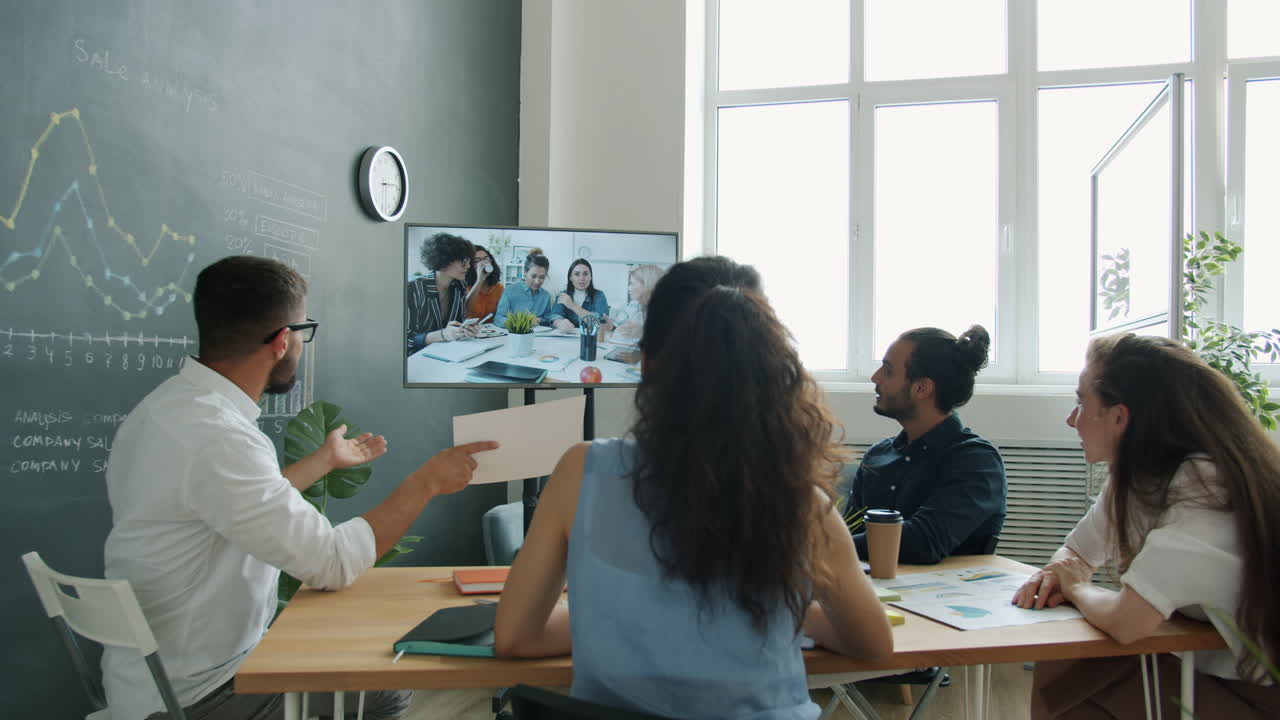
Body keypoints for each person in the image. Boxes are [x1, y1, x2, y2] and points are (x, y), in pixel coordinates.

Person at [493, 256, 893, 718]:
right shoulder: (800, 500)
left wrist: (614, 618)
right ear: (769, 369)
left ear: (645, 364)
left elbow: (516, 637)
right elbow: (873, 644)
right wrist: (771, 609)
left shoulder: (581, 473)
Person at [102, 256, 497, 720]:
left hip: (146, 682)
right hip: (200, 696)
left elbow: (233, 506)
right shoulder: (220, 437)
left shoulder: (165, 409)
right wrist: (426, 482)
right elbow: (331, 562)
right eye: (303, 332)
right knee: (387, 692)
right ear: (282, 341)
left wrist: (324, 460)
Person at [1012, 334, 1280, 719]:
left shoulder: (1202, 485)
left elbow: (1127, 620)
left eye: (1080, 402)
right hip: (1222, 675)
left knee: (1069, 671)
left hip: (1262, 695)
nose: (1072, 419)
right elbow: (1076, 551)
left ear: (1119, 417)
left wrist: (1075, 586)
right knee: (1066, 664)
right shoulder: (1139, 478)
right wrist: (1059, 572)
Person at [845, 325, 1007, 565]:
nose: (875, 377)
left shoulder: (975, 461)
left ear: (921, 388)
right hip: (871, 589)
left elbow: (924, 542)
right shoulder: (878, 455)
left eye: (888, 371)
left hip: (940, 598)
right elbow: (849, 530)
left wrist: (823, 545)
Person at [405, 232, 480, 356]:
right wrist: (442, 334)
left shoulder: (459, 287)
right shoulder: (413, 288)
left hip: (447, 354)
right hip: (415, 358)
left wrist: (465, 330)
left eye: (468, 260)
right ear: (444, 260)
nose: (468, 266)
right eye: (462, 260)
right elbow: (405, 339)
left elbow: (457, 325)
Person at [603, 263, 664, 345]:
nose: (628, 289)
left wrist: (642, 332)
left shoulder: (663, 311)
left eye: (632, 283)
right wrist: (613, 328)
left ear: (646, 285)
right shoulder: (639, 306)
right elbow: (627, 331)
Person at [494, 248, 554, 329]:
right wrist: (517, 322)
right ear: (525, 273)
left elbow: (548, 320)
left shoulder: (546, 296)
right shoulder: (510, 290)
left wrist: (539, 320)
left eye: (542, 277)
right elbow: (498, 318)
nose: (537, 281)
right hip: (515, 334)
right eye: (533, 276)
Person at [549, 258, 609, 332]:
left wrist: (572, 306)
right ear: (570, 277)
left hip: (590, 338)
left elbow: (602, 323)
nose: (581, 278)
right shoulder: (563, 295)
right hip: (567, 338)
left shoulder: (599, 296)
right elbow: (554, 316)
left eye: (585, 274)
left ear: (590, 277)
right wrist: (560, 323)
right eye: (577, 274)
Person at [464, 244, 504, 322]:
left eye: (486, 258)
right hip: (470, 331)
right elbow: (464, 311)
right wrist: (480, 280)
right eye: (478, 260)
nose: (484, 263)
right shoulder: (464, 287)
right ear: (470, 265)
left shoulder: (499, 288)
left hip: (492, 331)